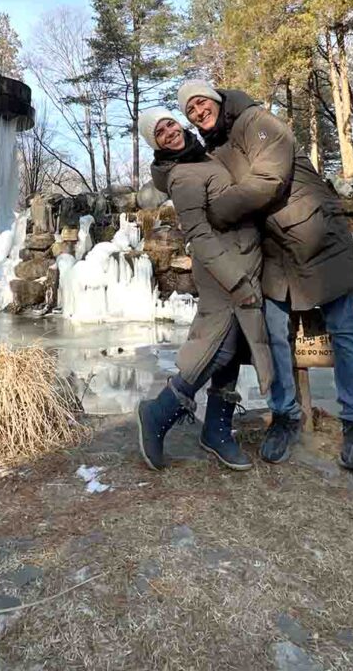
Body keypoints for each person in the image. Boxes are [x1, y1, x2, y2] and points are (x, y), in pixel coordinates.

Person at [177, 80, 353, 473]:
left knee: (344, 329)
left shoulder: (256, 120)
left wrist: (217, 214)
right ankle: (284, 416)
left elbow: (268, 180)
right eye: (191, 112)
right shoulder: (213, 149)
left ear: (214, 98)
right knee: (273, 332)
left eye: (201, 103)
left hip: (316, 234)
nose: (199, 113)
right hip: (272, 250)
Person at [135, 107, 273, 472]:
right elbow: (198, 236)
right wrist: (236, 281)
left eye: (169, 125)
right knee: (219, 347)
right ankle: (159, 412)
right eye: (159, 134)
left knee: (237, 343)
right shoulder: (182, 175)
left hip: (242, 263)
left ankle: (217, 429)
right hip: (223, 272)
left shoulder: (202, 157)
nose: (168, 133)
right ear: (156, 145)